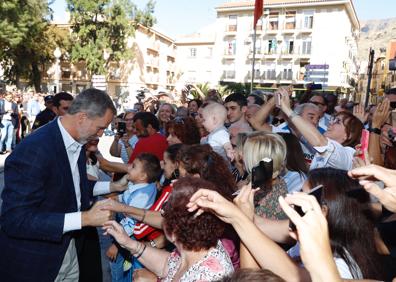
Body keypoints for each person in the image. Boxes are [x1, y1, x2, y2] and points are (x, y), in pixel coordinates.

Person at [0, 88, 128, 282]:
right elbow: (15, 219)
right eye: (101, 127)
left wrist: (113, 187)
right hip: (38, 262)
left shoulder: (75, 141)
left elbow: (73, 186)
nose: (101, 134)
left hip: (68, 252)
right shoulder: (35, 149)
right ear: (82, 117)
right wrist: (85, 218)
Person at [103, 177, 234, 282]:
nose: (161, 214)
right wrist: (128, 243)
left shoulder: (207, 276)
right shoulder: (198, 248)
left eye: (165, 213)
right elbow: (169, 265)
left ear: (173, 232)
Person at [107, 153, 161, 282]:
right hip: (126, 226)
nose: (129, 167)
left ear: (143, 176)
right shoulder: (137, 185)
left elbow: (132, 223)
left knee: (116, 263)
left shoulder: (143, 196)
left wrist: (116, 244)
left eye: (133, 167)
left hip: (129, 233)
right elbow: (126, 196)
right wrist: (114, 199)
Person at [279, 91, 363, 170]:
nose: (330, 123)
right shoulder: (317, 143)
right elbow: (298, 130)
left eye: (337, 122)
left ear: (348, 135)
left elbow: (320, 143)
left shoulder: (348, 155)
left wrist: (287, 109)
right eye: (332, 119)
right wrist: (280, 102)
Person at [243, 131, 288, 220]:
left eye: (245, 153)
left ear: (254, 160)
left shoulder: (261, 197)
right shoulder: (277, 180)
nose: (241, 156)